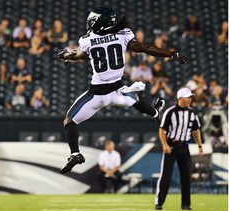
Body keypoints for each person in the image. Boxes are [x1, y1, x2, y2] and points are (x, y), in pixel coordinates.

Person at [57, 7, 188, 174]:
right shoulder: (123, 33)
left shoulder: (87, 40)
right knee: (136, 100)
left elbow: (82, 55)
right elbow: (144, 47)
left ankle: (75, 153)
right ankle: (155, 113)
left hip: (96, 94)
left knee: (69, 121)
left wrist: (68, 55)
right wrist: (171, 54)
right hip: (117, 92)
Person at [155, 87, 203, 210]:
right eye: (187, 97)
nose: (189, 100)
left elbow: (196, 130)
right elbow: (162, 130)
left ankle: (185, 204)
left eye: (190, 98)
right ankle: (159, 203)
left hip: (184, 146)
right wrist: (164, 144)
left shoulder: (192, 113)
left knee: (186, 176)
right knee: (166, 175)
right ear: (180, 98)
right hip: (171, 145)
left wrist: (199, 145)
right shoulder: (170, 112)